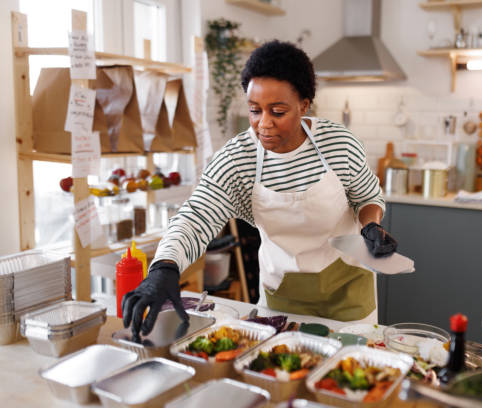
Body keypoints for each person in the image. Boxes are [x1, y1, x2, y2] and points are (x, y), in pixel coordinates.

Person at [122, 40, 398, 336]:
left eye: (277, 112)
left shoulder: (339, 145)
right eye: (255, 110)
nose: (263, 124)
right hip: (283, 300)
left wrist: (371, 226)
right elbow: (196, 217)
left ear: (304, 106)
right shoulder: (238, 159)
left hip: (350, 297)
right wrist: (164, 266)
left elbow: (367, 196)